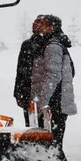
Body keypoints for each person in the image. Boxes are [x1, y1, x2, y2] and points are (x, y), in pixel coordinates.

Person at [30, 14, 78, 153]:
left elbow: (54, 76)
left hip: (53, 104)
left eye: (43, 24)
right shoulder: (53, 44)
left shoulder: (53, 46)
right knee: (53, 144)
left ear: (51, 28)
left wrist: (42, 100)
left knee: (52, 145)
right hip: (55, 102)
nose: (39, 26)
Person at [13, 15, 45, 127]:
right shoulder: (28, 45)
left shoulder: (48, 45)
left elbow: (20, 69)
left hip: (33, 87)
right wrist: (18, 91)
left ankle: (36, 138)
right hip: (30, 87)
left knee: (38, 120)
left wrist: (18, 91)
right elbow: (20, 69)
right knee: (34, 120)